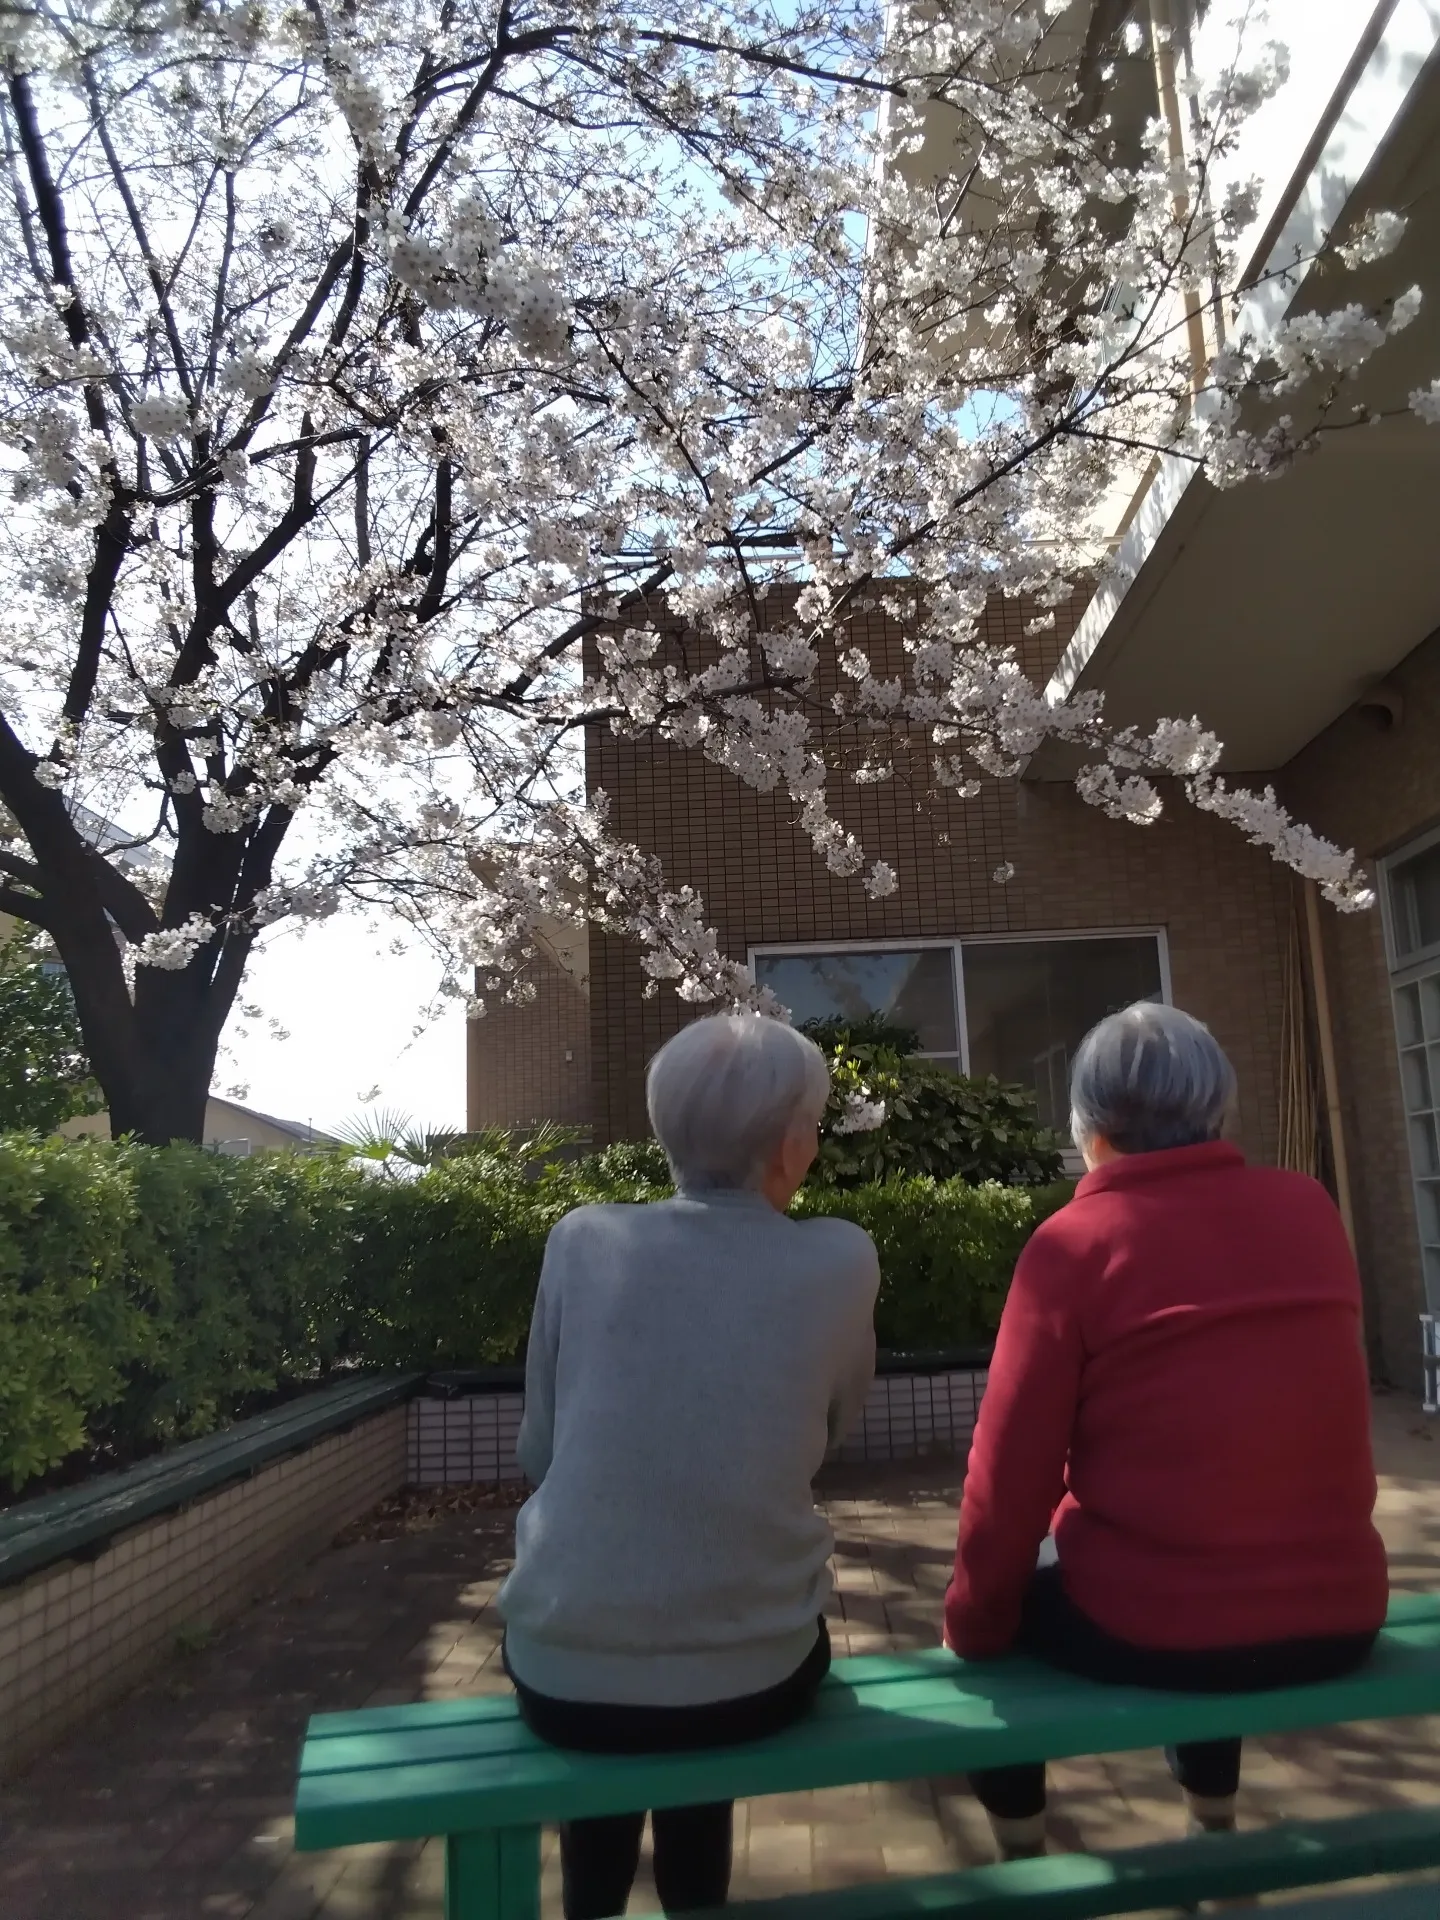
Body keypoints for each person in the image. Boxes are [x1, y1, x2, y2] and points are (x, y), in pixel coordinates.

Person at [944, 1001, 1388, 1861]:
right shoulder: (1308, 1208)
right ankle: (1211, 1819)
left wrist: (971, 1621)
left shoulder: (1072, 1244)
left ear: (1092, 1127)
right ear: (1217, 1108)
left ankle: (1023, 1851)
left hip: (1153, 1624)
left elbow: (1008, 1481)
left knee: (1008, 1605)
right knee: (1215, 1545)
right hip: (1342, 1613)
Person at [500, 1011, 880, 1920]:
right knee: (713, 1673)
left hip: (562, 1667)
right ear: (790, 1147)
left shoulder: (583, 1239)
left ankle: (592, 1902)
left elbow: (539, 1452)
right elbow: (832, 1433)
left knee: (617, 1722)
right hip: (756, 1677)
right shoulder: (841, 1258)